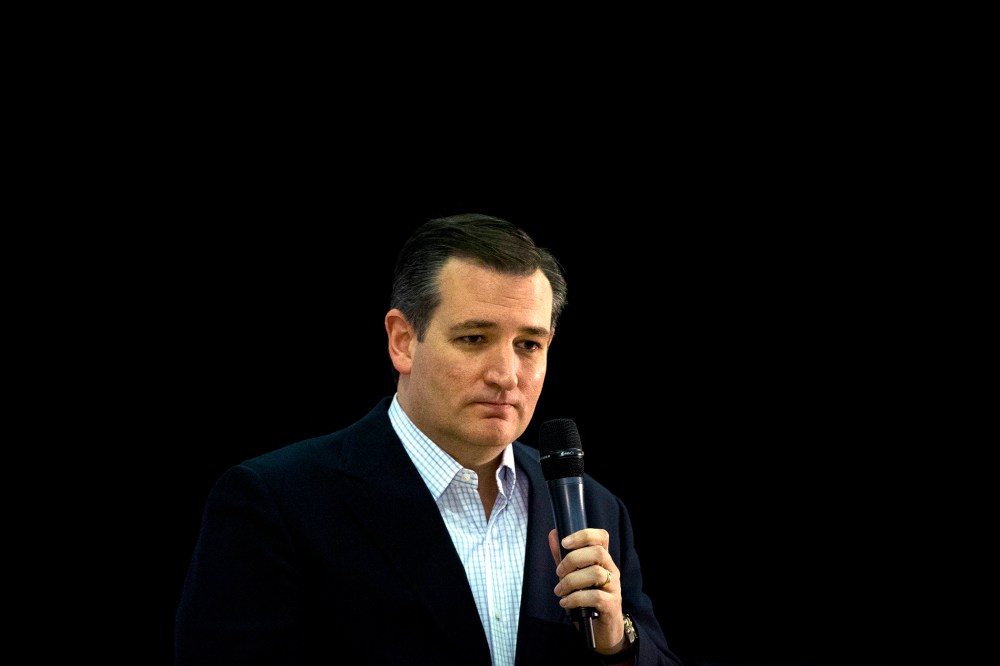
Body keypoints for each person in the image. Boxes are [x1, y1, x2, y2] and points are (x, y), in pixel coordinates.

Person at [174, 213, 684, 665]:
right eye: (473, 339)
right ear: (402, 341)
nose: (507, 374)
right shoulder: (276, 503)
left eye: (529, 344)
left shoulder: (595, 508)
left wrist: (618, 644)